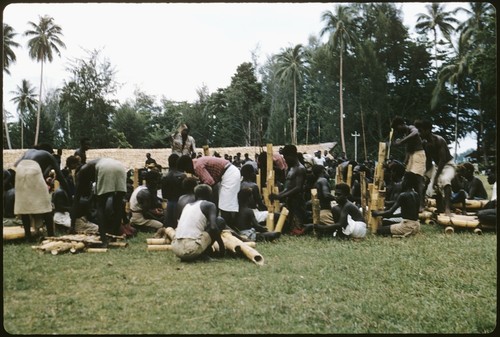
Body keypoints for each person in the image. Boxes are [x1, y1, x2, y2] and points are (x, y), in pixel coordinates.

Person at [14, 146, 72, 241]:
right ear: (50, 152)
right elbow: (61, 177)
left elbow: (15, 165)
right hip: (34, 170)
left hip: (20, 170)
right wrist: (70, 195)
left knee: (24, 208)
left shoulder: (28, 152)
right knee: (46, 206)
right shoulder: (48, 155)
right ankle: (51, 235)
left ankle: (28, 236)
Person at [71, 158, 127, 246]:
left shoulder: (82, 171)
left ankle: (104, 240)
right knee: (118, 205)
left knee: (100, 206)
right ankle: (114, 235)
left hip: (105, 167)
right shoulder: (92, 167)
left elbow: (76, 200)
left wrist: (71, 225)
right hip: (120, 166)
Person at [178, 154, 241, 229]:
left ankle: (226, 228)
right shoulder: (196, 163)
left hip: (229, 174)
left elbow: (210, 182)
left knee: (225, 205)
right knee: (224, 203)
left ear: (187, 164)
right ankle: (228, 225)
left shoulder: (197, 166)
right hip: (226, 173)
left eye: (186, 169)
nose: (187, 171)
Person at [171, 184, 226, 262]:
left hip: (176, 248)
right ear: (210, 195)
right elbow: (213, 227)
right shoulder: (209, 205)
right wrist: (222, 246)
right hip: (191, 249)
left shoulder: (187, 205)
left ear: (195, 195)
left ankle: (201, 252)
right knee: (220, 221)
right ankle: (203, 254)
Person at [415, 119, 456, 216]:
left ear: (428, 130)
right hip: (438, 166)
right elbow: (428, 161)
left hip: (448, 165)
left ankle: (447, 209)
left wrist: (436, 177)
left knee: (445, 180)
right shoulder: (425, 144)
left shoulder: (439, 140)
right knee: (424, 181)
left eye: (421, 131)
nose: (419, 133)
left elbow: (442, 160)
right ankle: (423, 205)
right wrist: (424, 173)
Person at [269, 145, 309, 235]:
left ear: (292, 155)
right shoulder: (290, 168)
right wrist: (279, 195)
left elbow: (298, 188)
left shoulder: (300, 169)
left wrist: (280, 196)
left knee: (297, 225)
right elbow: (288, 187)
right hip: (290, 200)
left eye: (286, 156)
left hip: (297, 201)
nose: (285, 159)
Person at [390, 116, 427, 211]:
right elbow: (407, 149)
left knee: (418, 180)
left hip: (419, 154)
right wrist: (405, 162)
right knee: (408, 179)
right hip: (411, 156)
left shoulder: (411, 128)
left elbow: (415, 133)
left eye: (397, 128)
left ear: (402, 124)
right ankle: (407, 202)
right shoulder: (405, 134)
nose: (397, 131)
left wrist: (401, 141)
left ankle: (421, 204)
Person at [371, 172, 421, 237]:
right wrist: (388, 216)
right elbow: (405, 214)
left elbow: (389, 212)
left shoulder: (403, 195)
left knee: (380, 230)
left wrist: (376, 213)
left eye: (403, 180)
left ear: (406, 181)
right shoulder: (416, 194)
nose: (401, 182)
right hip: (416, 226)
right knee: (386, 222)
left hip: (407, 226)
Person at [161, 153, 187, 228]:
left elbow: (164, 195)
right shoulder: (183, 176)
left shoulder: (165, 177)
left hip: (169, 203)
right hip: (181, 203)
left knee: (170, 226)